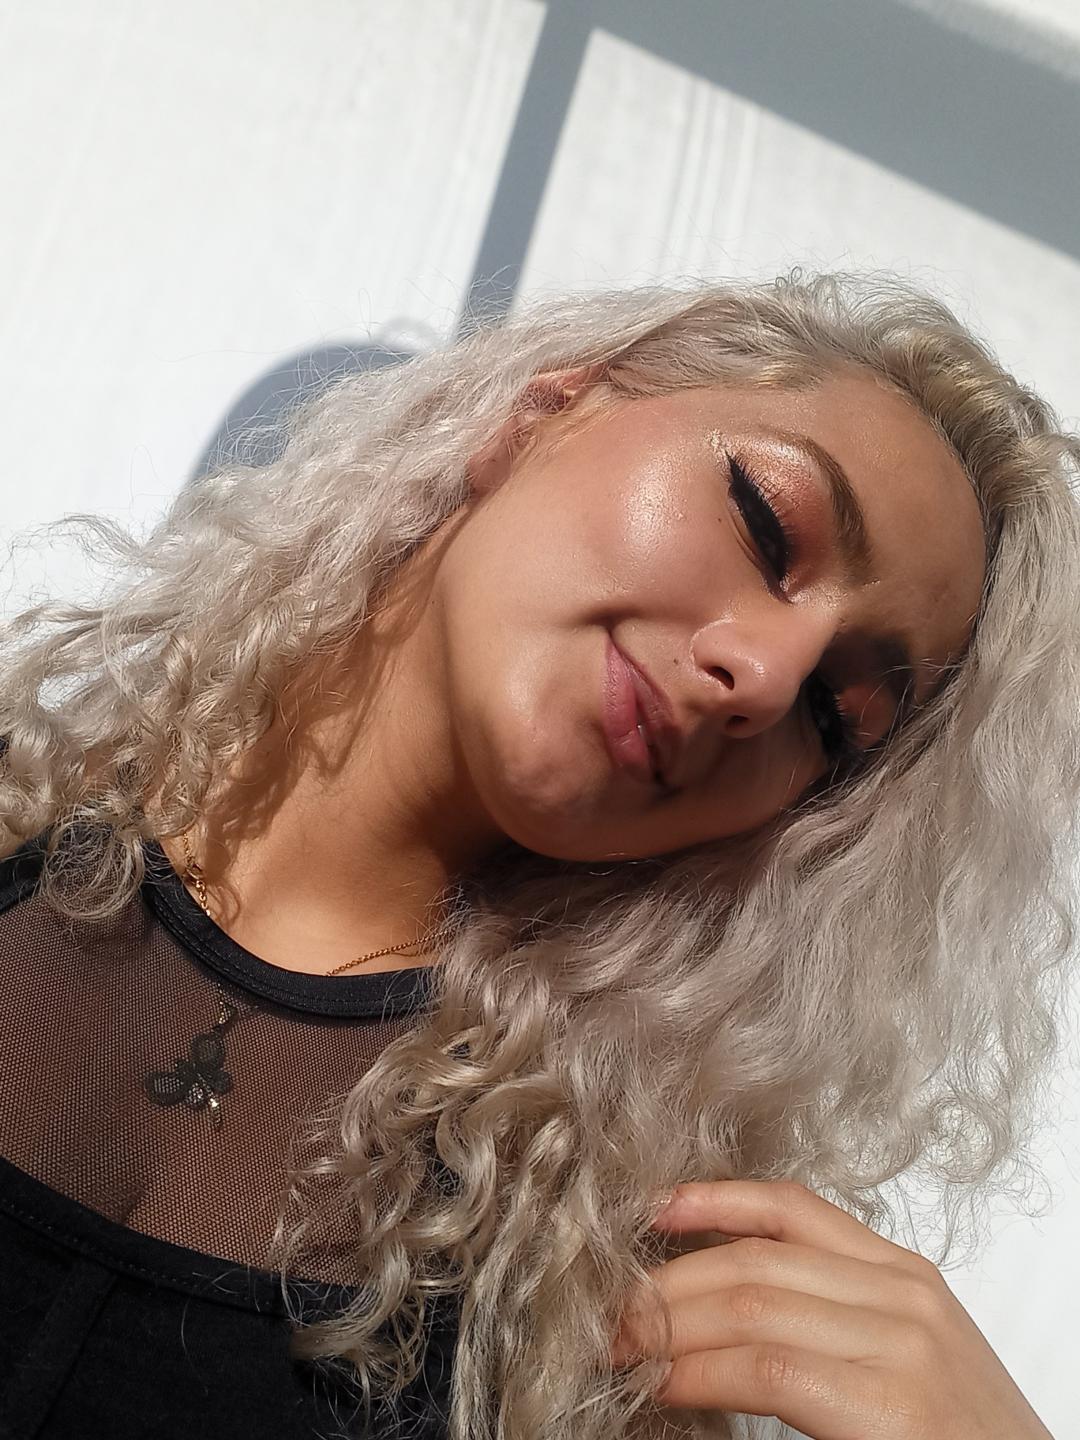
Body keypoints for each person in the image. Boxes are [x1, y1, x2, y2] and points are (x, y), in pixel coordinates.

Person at [0, 269, 1076, 1440]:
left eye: (832, 713)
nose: (764, 680)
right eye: (767, 525)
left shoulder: (602, 1277)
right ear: (543, 413)